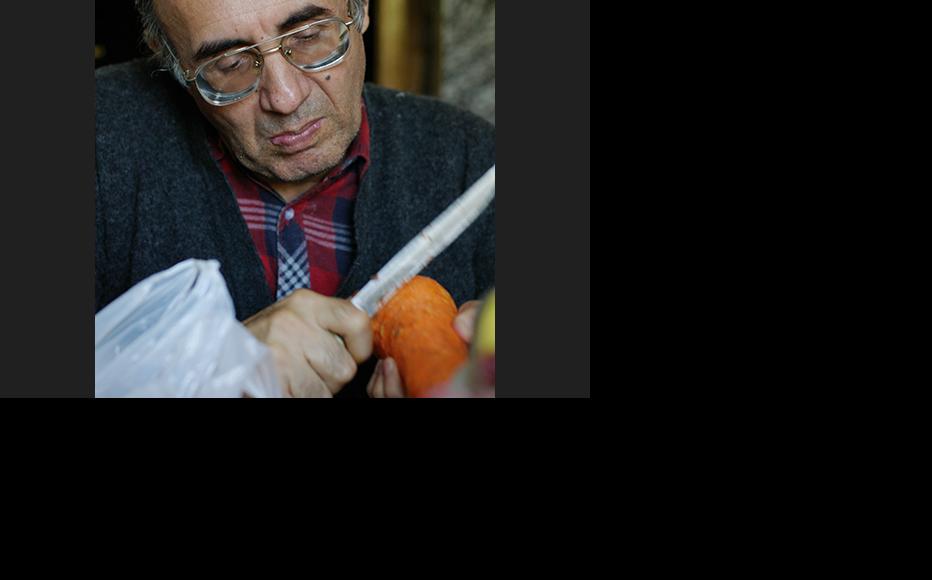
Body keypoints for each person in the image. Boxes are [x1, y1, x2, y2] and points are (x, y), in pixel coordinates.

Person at [95, 0, 495, 397]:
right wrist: (205, 375)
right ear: (169, 58)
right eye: (229, 65)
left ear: (362, 9)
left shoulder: (476, 161)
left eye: (308, 37)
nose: (285, 98)